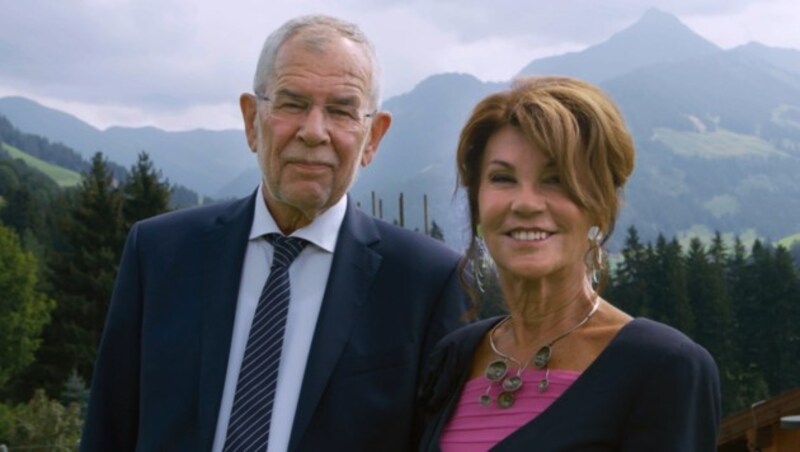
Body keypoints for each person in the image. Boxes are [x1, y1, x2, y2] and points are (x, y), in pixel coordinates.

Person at [80, 15, 467, 452]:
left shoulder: (425, 282)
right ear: (251, 119)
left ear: (373, 137)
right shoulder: (159, 254)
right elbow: (107, 432)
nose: (314, 131)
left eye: (340, 110)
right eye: (292, 103)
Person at [417, 76, 721, 451]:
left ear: (599, 205)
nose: (526, 203)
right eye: (502, 178)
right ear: (477, 201)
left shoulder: (663, 367)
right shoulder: (455, 357)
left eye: (555, 180)